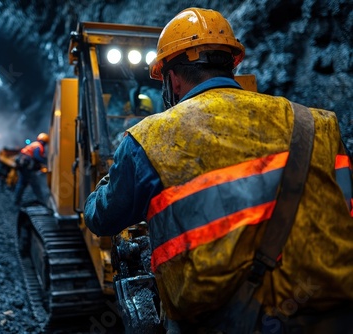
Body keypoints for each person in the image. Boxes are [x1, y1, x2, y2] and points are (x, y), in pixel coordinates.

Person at [83, 7, 353, 334]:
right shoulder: (317, 125)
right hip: (331, 316)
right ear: (232, 64)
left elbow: (101, 218)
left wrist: (106, 184)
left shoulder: (147, 141)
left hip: (220, 324)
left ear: (172, 79)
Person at [13, 132, 50, 207]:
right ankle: (41, 200)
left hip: (23, 165)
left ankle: (17, 201)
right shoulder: (39, 147)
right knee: (34, 183)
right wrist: (46, 161)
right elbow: (37, 157)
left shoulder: (35, 144)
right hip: (27, 167)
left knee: (22, 183)